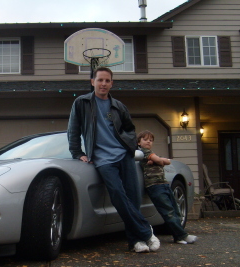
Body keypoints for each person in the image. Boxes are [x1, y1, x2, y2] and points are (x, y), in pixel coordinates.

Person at [67, 67, 160, 253]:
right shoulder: (81, 102)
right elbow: (74, 129)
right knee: (117, 194)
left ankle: (135, 242)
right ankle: (146, 230)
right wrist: (77, 152)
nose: (103, 84)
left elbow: (130, 129)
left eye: (107, 81)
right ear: (92, 81)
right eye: (100, 80)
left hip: (123, 155)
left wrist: (129, 147)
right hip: (102, 158)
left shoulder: (118, 105)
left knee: (133, 197)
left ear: (111, 83)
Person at [137, 130, 198, 244]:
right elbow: (162, 160)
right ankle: (181, 236)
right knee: (168, 211)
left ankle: (178, 236)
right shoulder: (143, 152)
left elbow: (162, 161)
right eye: (145, 140)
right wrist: (161, 160)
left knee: (175, 209)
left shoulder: (150, 152)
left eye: (151, 140)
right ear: (139, 142)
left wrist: (160, 160)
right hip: (154, 186)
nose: (148, 142)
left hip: (163, 184)